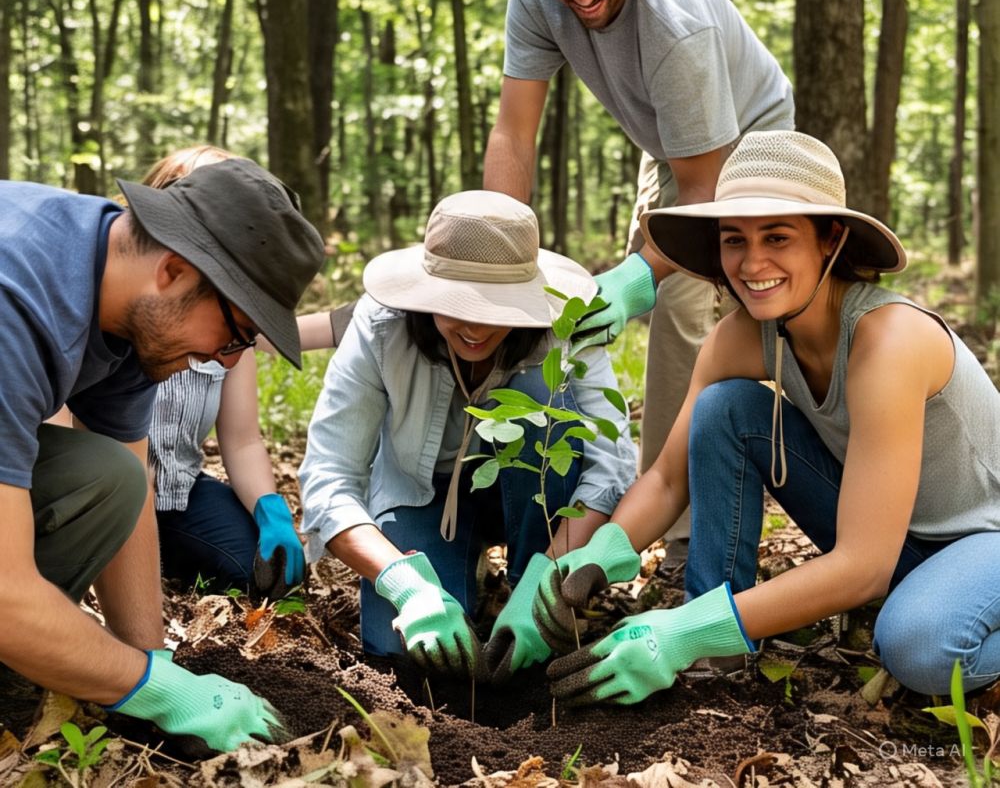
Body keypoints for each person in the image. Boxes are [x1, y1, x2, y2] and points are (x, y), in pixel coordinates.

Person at [527, 130, 1000, 706]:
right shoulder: (742, 338)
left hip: (984, 539)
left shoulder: (889, 340)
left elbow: (862, 566)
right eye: (734, 240)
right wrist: (593, 557)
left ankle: (700, 631)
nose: (752, 263)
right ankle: (713, 648)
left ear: (830, 240)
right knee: (724, 407)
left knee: (919, 648)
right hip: (899, 537)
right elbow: (668, 478)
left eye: (778, 236)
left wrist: (676, 632)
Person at [484, 0, 795, 549]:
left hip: (750, 143)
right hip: (670, 141)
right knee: (649, 298)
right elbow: (514, 129)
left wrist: (633, 278)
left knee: (678, 303)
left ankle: (677, 527)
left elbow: (704, 196)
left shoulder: (675, 28)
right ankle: (636, 483)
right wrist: (499, 247)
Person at [0, 158, 326, 750]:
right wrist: (153, 689)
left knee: (109, 475)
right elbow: (2, 590)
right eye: (234, 334)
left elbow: (132, 489)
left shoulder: (121, 303)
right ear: (173, 270)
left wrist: (153, 666)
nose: (227, 362)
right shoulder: (13, 303)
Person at [298, 190, 635, 681]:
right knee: (409, 658)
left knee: (550, 400)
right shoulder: (381, 326)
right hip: (422, 494)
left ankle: (527, 591)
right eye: (455, 304)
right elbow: (329, 476)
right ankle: (459, 573)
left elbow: (611, 465)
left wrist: (548, 580)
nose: (475, 327)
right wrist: (403, 583)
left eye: (498, 307)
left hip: (533, 502)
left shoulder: (563, 328)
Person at [142, 146, 337, 601]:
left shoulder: (233, 321)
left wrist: (271, 511)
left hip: (180, 492)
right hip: (112, 495)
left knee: (266, 575)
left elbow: (242, 438)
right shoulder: (137, 306)